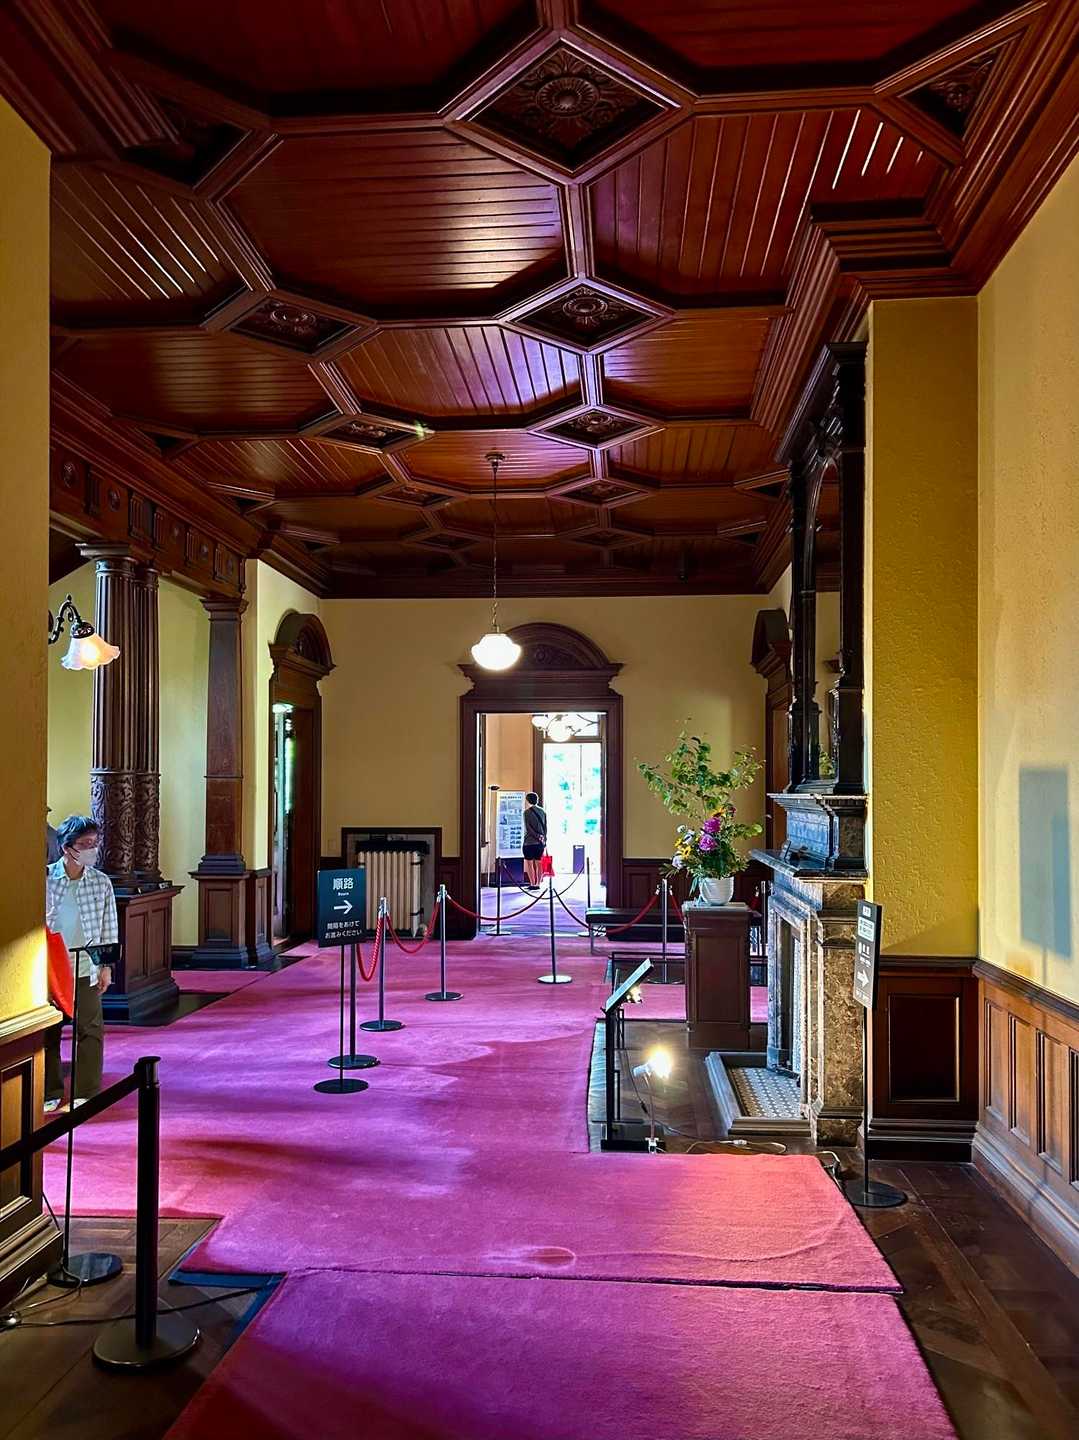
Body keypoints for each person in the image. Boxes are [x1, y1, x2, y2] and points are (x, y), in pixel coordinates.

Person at [43, 815, 117, 1111]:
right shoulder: (46, 879)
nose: (91, 850)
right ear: (66, 847)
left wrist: (106, 966)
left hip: (86, 965)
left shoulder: (100, 882)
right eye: (85, 844)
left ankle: (86, 1091)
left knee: (89, 1029)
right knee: (49, 1031)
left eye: (94, 843)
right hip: (51, 968)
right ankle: (49, 1091)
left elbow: (108, 927)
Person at [522, 792, 548, 889]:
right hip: (540, 842)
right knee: (539, 863)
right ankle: (538, 884)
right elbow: (545, 827)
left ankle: (532, 883)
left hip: (529, 842)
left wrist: (536, 836)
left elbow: (528, 828)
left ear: (528, 800)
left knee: (529, 864)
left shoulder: (526, 812)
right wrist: (543, 838)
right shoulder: (543, 812)